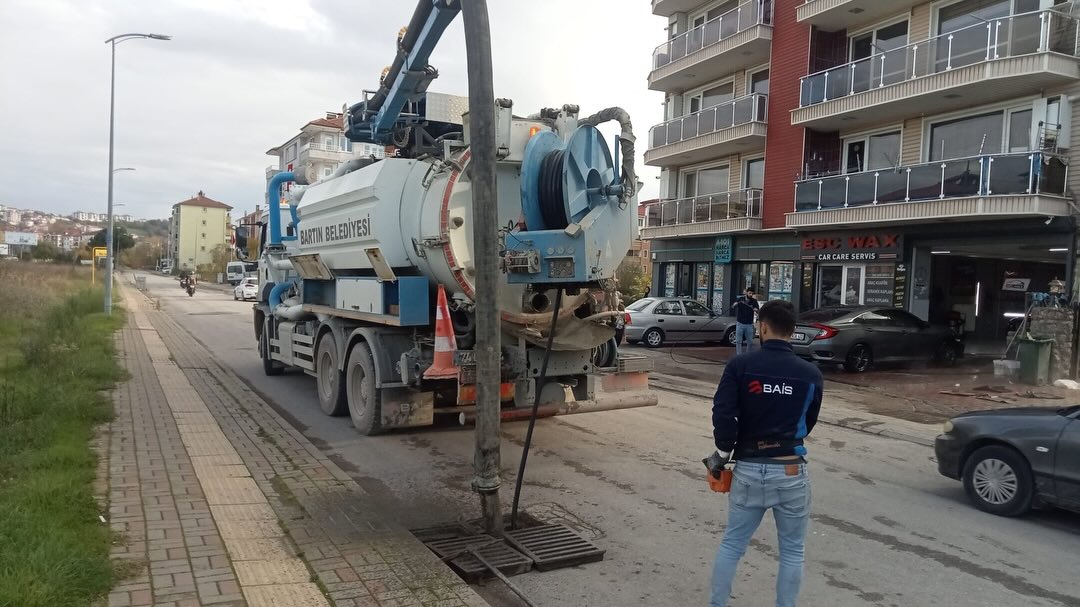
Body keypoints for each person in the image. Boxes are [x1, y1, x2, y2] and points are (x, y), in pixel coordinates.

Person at [708, 300, 824, 607]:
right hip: (790, 471)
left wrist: (722, 453)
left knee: (732, 545)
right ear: (792, 330)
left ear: (762, 327)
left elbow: (723, 413)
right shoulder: (810, 374)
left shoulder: (741, 366)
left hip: (747, 469)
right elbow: (808, 421)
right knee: (793, 551)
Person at [729, 287, 759, 355]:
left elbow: (757, 310)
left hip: (749, 324)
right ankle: (739, 355)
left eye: (752, 293)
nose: (751, 294)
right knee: (738, 341)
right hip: (740, 323)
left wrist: (755, 309)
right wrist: (736, 304)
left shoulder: (754, 301)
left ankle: (747, 355)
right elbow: (733, 306)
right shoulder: (741, 299)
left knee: (750, 342)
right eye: (750, 293)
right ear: (746, 293)